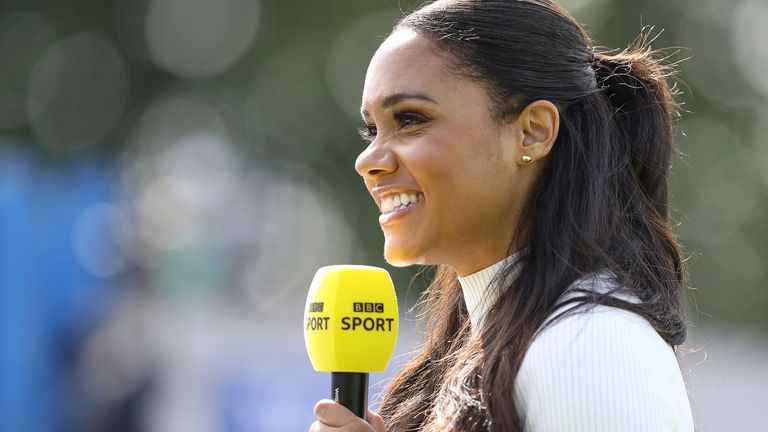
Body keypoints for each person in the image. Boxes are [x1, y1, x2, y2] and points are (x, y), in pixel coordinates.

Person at [310, 0, 694, 430]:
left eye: (410, 119)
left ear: (532, 132)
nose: (368, 160)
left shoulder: (589, 344)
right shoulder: (499, 343)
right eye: (371, 129)